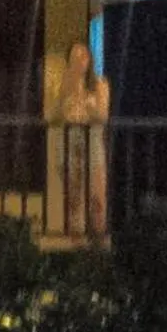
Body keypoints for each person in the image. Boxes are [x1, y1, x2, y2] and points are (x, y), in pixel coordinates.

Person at [56, 38, 111, 241]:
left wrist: (87, 103)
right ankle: (76, 247)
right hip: (71, 144)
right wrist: (69, 88)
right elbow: (55, 114)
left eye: (84, 55)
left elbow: (102, 115)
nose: (80, 60)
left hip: (93, 144)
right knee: (74, 202)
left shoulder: (99, 84)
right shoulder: (62, 85)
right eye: (75, 57)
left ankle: (97, 244)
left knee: (97, 200)